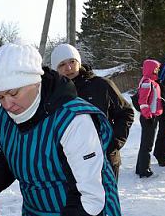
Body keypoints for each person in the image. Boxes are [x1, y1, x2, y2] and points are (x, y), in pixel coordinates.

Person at [0, 42, 124, 216]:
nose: (7, 104)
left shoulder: (73, 121)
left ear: (35, 80)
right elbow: (11, 156)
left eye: (13, 93)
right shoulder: (7, 116)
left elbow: (90, 198)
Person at [51, 43, 134, 179]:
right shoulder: (53, 94)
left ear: (79, 62)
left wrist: (114, 142)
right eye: (62, 65)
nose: (69, 68)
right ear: (56, 69)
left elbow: (126, 113)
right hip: (69, 163)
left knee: (106, 200)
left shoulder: (101, 85)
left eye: (72, 61)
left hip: (105, 160)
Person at [135, 59, 164, 178]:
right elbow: (143, 101)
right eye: (155, 68)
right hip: (149, 117)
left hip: (152, 115)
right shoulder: (147, 82)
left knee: (145, 143)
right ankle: (144, 170)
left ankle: (140, 167)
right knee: (147, 144)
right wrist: (148, 115)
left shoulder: (152, 81)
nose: (157, 70)